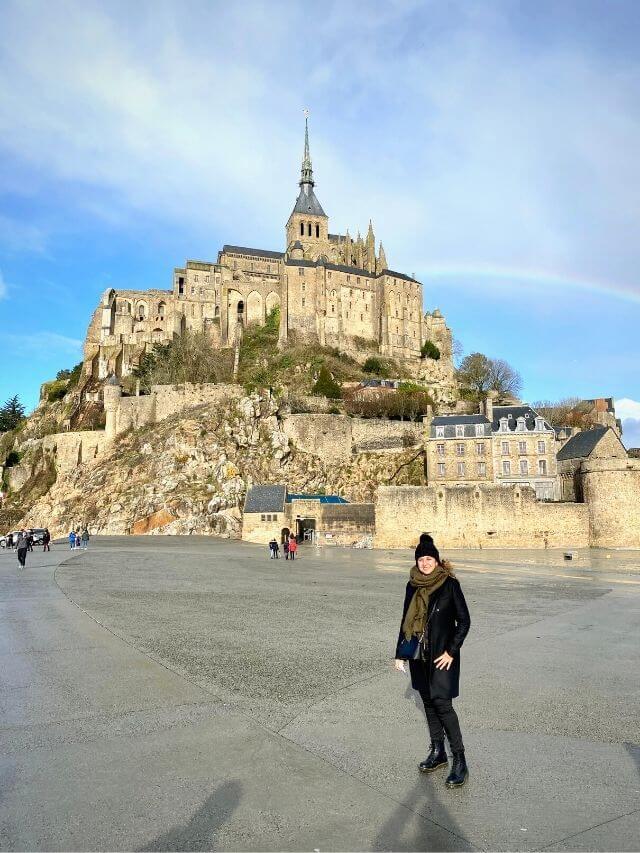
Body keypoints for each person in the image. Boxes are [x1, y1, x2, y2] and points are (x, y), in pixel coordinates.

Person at [394, 534, 471, 788]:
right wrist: (400, 654)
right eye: (421, 559)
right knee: (428, 702)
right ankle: (438, 751)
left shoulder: (450, 584)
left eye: (429, 559)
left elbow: (464, 622)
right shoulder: (412, 585)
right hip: (418, 655)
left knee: (443, 705)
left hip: (441, 656)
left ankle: (459, 759)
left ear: (437, 561)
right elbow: (406, 618)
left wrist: (451, 651)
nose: (425, 563)